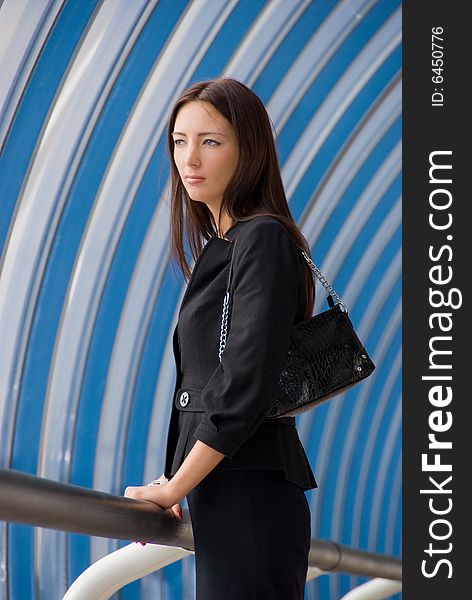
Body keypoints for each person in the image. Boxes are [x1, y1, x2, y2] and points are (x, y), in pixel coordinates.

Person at [124, 77, 318, 599]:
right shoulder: (223, 246)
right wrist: (186, 481)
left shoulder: (263, 239)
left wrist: (173, 486)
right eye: (179, 141)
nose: (190, 158)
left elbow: (242, 385)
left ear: (247, 150)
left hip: (250, 496)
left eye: (210, 141)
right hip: (227, 494)